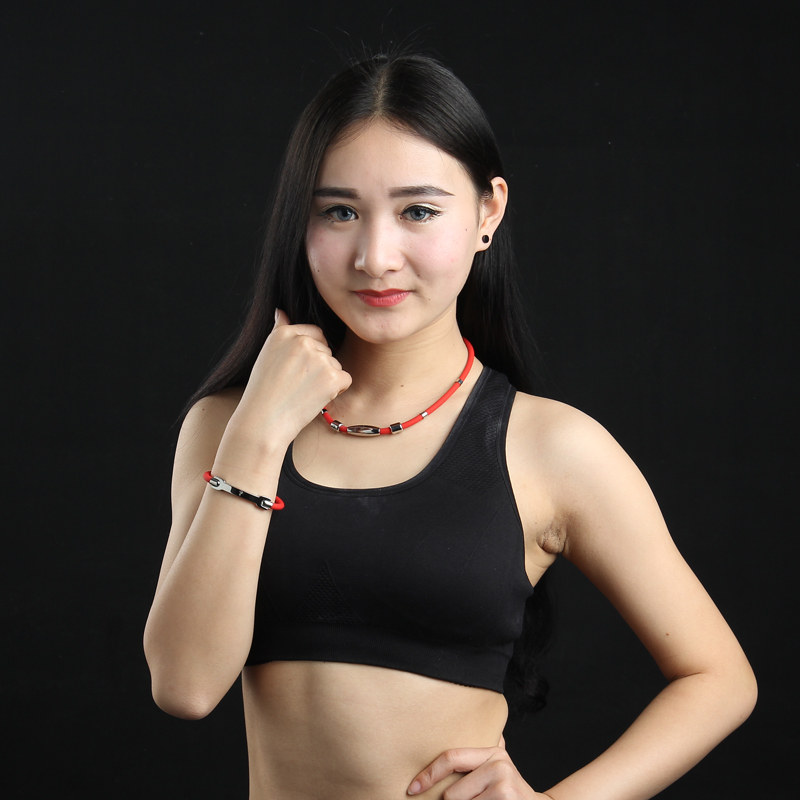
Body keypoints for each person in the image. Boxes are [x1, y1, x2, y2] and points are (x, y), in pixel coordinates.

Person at [143, 52, 756, 799]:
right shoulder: (226, 428)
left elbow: (719, 678)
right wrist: (259, 434)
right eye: (340, 212)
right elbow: (185, 685)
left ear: (488, 213)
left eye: (418, 212)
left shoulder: (550, 447)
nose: (376, 257)